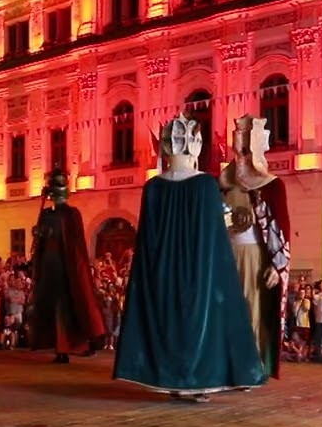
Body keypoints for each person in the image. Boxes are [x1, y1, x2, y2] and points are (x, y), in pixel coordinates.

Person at [113, 111, 266, 401]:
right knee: (198, 324)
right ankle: (197, 383)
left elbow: (147, 240)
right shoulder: (205, 185)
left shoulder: (154, 187)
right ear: (194, 145)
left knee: (168, 323)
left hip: (163, 274)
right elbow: (215, 235)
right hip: (199, 273)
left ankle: (170, 379)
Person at [219, 114, 292, 378]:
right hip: (227, 255)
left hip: (255, 255)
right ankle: (226, 362)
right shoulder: (224, 184)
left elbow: (281, 230)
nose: (241, 153)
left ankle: (249, 364)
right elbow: (219, 218)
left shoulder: (272, 186)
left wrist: (277, 264)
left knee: (252, 309)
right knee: (226, 309)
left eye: (246, 147)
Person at [29, 168, 106, 364]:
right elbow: (43, 241)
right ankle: (59, 348)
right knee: (52, 309)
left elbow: (74, 245)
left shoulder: (72, 214)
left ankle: (72, 347)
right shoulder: (46, 214)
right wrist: (39, 234)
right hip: (50, 268)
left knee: (67, 309)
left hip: (65, 269)